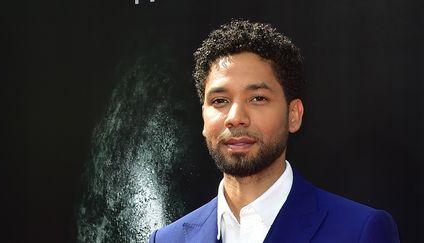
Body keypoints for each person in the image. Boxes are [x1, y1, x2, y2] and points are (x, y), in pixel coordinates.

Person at [149, 19, 400, 243]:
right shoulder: (168, 239)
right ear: (203, 118)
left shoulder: (359, 231)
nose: (235, 118)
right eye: (220, 101)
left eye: (257, 98)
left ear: (293, 115)